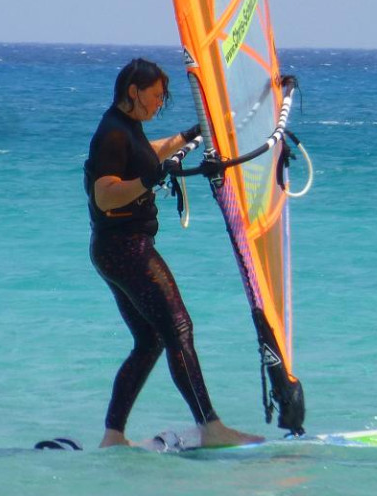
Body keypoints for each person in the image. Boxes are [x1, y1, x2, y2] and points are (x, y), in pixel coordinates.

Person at [84, 57, 264, 449]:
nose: (159, 104)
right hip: (126, 249)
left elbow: (146, 153)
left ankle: (113, 436)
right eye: (155, 97)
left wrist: (188, 135)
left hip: (113, 250)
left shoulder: (126, 127)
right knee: (179, 328)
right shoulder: (111, 134)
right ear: (134, 91)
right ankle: (210, 427)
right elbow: (105, 195)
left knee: (150, 340)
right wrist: (148, 179)